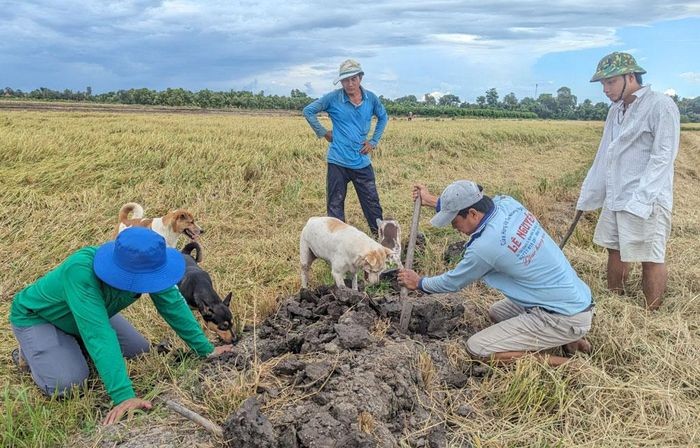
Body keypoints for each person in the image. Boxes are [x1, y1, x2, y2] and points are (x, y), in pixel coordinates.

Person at [9, 227, 233, 425]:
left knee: (139, 351)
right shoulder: (80, 271)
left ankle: (69, 344)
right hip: (39, 317)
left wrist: (205, 349)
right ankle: (29, 352)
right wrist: (124, 397)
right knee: (68, 384)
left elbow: (172, 304)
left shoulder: (148, 263)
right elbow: (99, 334)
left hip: (90, 314)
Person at [398, 181, 594, 366]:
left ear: (473, 213)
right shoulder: (508, 204)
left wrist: (420, 282)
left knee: (478, 349)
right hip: (575, 298)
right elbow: (470, 200)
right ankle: (572, 340)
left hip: (562, 315)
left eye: (454, 221)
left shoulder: (485, 246)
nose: (453, 227)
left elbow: (452, 282)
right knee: (497, 312)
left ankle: (568, 365)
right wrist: (432, 200)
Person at [576, 52, 680, 310]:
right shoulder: (616, 111)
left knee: (650, 256)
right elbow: (604, 154)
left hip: (647, 199)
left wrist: (642, 200)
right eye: (602, 84)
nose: (605, 89)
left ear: (630, 77)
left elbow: (663, 157)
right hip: (616, 195)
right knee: (615, 249)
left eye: (610, 82)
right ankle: (615, 303)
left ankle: (650, 312)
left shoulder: (660, 106)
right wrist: (589, 194)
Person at [303, 59, 389, 235]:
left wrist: (373, 141)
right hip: (338, 162)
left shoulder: (371, 98)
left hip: (361, 161)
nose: (349, 84)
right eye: (345, 80)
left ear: (360, 78)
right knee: (335, 205)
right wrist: (324, 132)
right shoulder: (333, 98)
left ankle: (380, 238)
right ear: (341, 81)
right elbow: (308, 111)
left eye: (353, 79)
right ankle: (336, 243)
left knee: (372, 203)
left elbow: (383, 117)